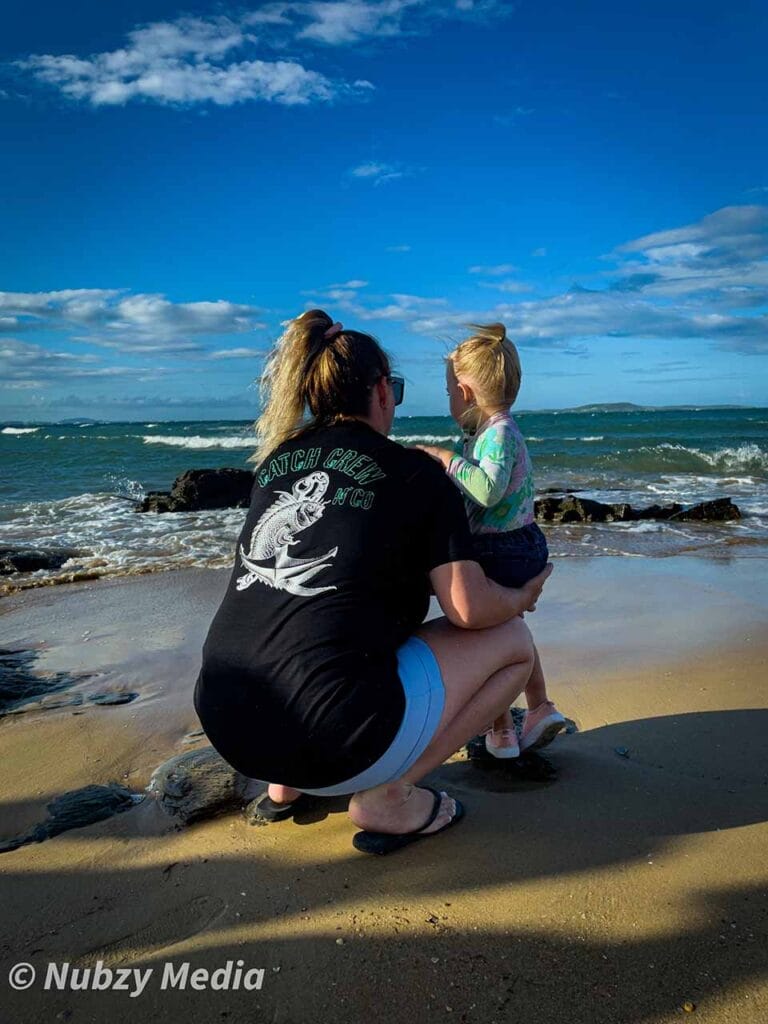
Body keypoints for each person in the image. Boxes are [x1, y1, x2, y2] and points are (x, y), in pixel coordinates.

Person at [193, 310, 552, 855]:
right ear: (383, 390)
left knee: (308, 622)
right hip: (334, 737)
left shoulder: (276, 463)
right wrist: (521, 596)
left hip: (231, 727)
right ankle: (390, 793)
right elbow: (468, 610)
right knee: (515, 644)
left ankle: (284, 788)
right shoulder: (414, 473)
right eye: (396, 391)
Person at [416, 323, 565, 759]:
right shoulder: (488, 432)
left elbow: (487, 491)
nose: (448, 400)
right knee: (505, 627)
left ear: (464, 393)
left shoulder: (498, 433)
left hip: (505, 548)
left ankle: (505, 725)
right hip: (512, 544)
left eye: (448, 392)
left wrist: (446, 459)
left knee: (488, 630)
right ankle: (536, 709)